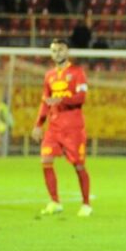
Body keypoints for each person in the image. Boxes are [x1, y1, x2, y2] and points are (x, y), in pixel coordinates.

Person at [32, 39, 92, 217]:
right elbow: (45, 102)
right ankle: (55, 202)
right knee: (45, 160)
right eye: (54, 51)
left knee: (78, 166)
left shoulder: (77, 73)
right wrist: (38, 125)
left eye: (60, 50)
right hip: (54, 127)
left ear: (67, 52)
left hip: (73, 128)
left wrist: (62, 100)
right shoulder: (49, 76)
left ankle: (86, 204)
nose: (57, 53)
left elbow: (81, 98)